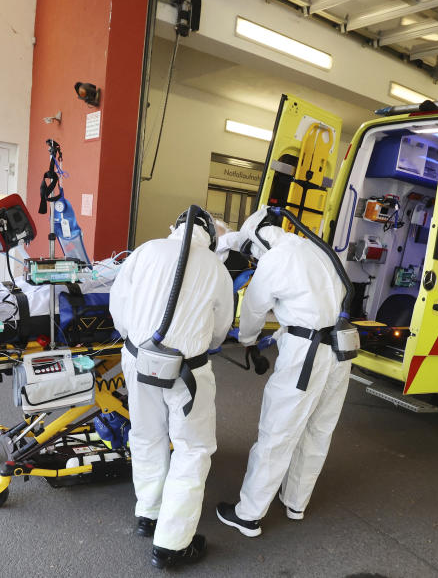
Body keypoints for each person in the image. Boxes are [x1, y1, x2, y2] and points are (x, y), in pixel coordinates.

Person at [109, 208, 234, 569]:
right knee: (192, 448)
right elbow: (219, 330)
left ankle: (148, 513)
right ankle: (172, 544)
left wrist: (137, 341)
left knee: (146, 436)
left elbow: (120, 308)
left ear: (175, 228)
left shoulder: (145, 251)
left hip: (138, 360)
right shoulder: (216, 268)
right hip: (187, 372)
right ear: (210, 236)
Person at [216, 207, 352, 537]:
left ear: (258, 243)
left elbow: (252, 308)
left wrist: (248, 341)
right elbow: (315, 305)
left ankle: (248, 515)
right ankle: (295, 502)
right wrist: (281, 333)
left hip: (306, 355)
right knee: (318, 429)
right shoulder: (315, 248)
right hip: (341, 348)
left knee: (277, 433)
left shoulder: (276, 259)